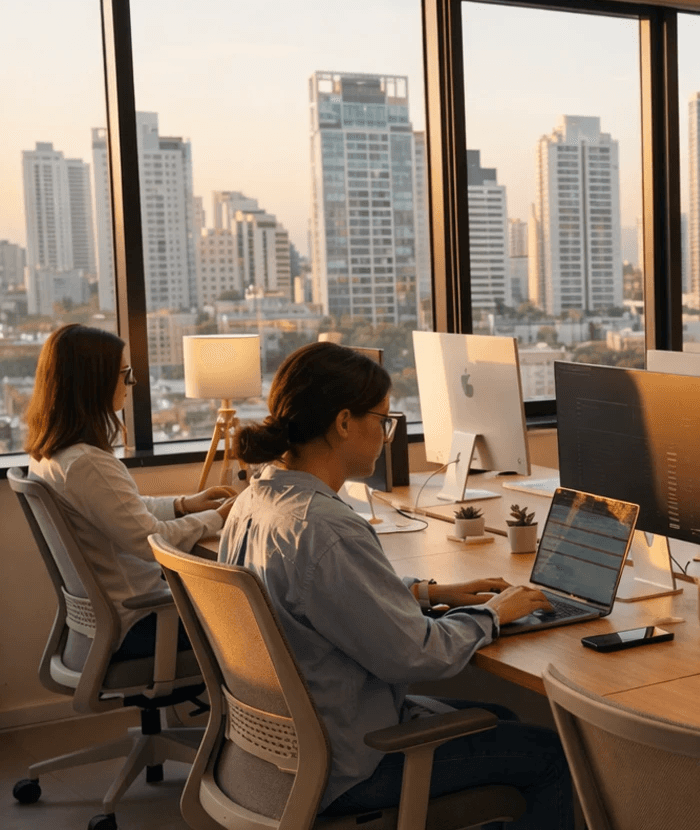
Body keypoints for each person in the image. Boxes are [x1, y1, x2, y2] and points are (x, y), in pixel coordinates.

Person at [218, 341, 574, 829]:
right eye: (383, 421)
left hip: (276, 753)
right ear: (344, 423)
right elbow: (418, 654)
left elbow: (317, 593)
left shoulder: (256, 499)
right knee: (555, 754)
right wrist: (494, 614)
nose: (387, 436)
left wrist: (428, 593)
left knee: (499, 717)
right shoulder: (325, 528)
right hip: (348, 762)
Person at [24, 323, 236, 658]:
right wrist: (219, 517)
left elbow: (125, 510)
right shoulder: (87, 464)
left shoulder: (52, 458)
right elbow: (148, 540)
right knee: (265, 618)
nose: (131, 382)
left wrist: (183, 505)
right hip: (143, 623)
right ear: (93, 382)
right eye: (125, 373)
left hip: (111, 622)